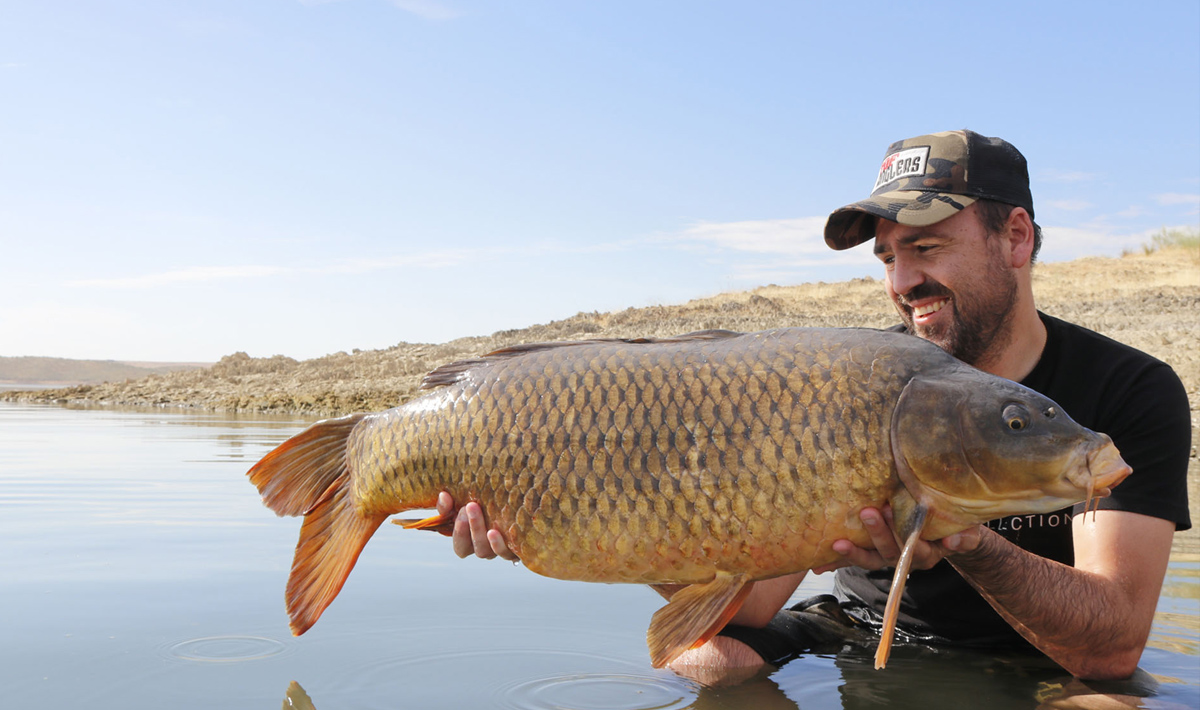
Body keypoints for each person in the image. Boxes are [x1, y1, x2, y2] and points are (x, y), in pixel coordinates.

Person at [436, 129, 1192, 681]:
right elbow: (749, 609)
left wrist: (964, 541)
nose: (903, 283)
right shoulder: (847, 382)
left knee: (1109, 697)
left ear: (1016, 238)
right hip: (853, 628)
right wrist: (607, 518)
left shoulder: (1124, 391)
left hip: (1035, 659)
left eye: (926, 248)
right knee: (701, 656)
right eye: (890, 258)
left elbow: (1114, 641)